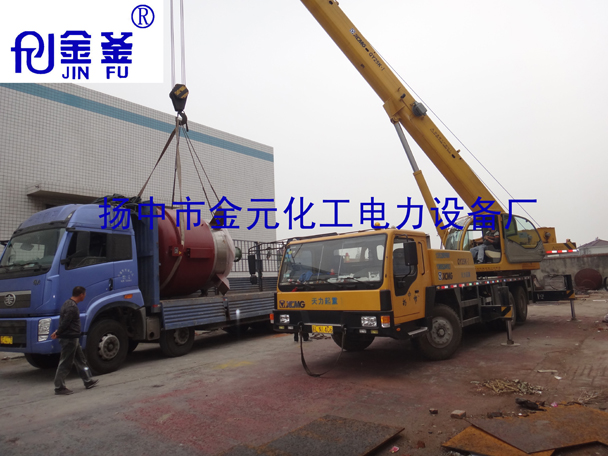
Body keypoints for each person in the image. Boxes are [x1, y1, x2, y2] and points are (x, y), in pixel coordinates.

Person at [51, 286, 99, 395]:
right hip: (69, 338)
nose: (85, 296)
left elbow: (64, 321)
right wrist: (58, 333)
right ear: (81, 294)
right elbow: (66, 322)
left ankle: (88, 380)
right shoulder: (72, 307)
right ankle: (59, 387)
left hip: (72, 337)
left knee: (81, 360)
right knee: (65, 362)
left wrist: (58, 331)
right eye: (84, 294)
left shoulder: (67, 303)